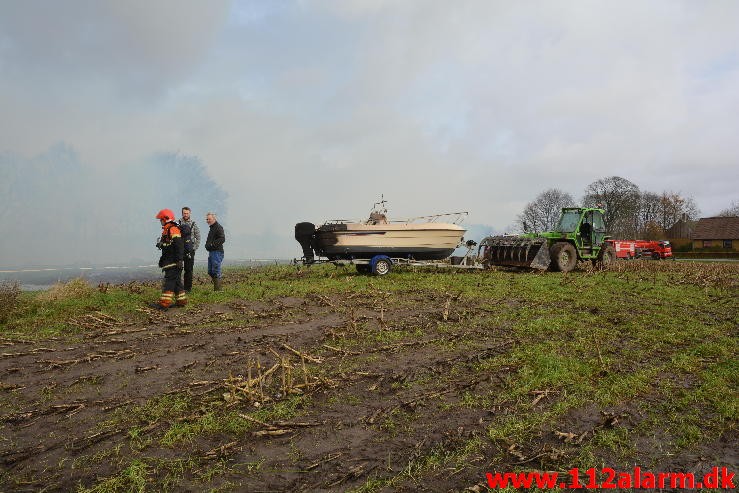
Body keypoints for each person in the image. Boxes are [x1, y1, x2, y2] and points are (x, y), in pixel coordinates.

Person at [152, 209, 187, 310]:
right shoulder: (167, 229)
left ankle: (164, 304)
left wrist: (179, 260)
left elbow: (179, 245)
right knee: (177, 282)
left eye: (161, 220)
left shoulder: (173, 229)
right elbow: (169, 246)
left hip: (173, 262)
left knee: (169, 282)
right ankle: (181, 301)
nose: (160, 221)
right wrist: (161, 245)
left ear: (165, 219)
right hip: (170, 261)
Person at [178, 206, 201, 292]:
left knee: (189, 270)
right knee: (178, 269)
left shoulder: (194, 224)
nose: (186, 214)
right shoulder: (177, 223)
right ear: (182, 213)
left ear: (190, 213)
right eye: (184, 213)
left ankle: (188, 289)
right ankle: (178, 288)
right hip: (179, 250)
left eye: (187, 213)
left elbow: (198, 237)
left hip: (190, 250)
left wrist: (194, 248)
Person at [204, 212, 225, 291]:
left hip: (217, 252)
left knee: (216, 270)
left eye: (209, 219)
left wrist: (212, 245)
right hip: (212, 252)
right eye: (207, 219)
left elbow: (222, 239)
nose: (208, 220)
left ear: (214, 219)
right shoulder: (212, 228)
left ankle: (218, 290)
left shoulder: (218, 227)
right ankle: (217, 288)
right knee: (210, 271)